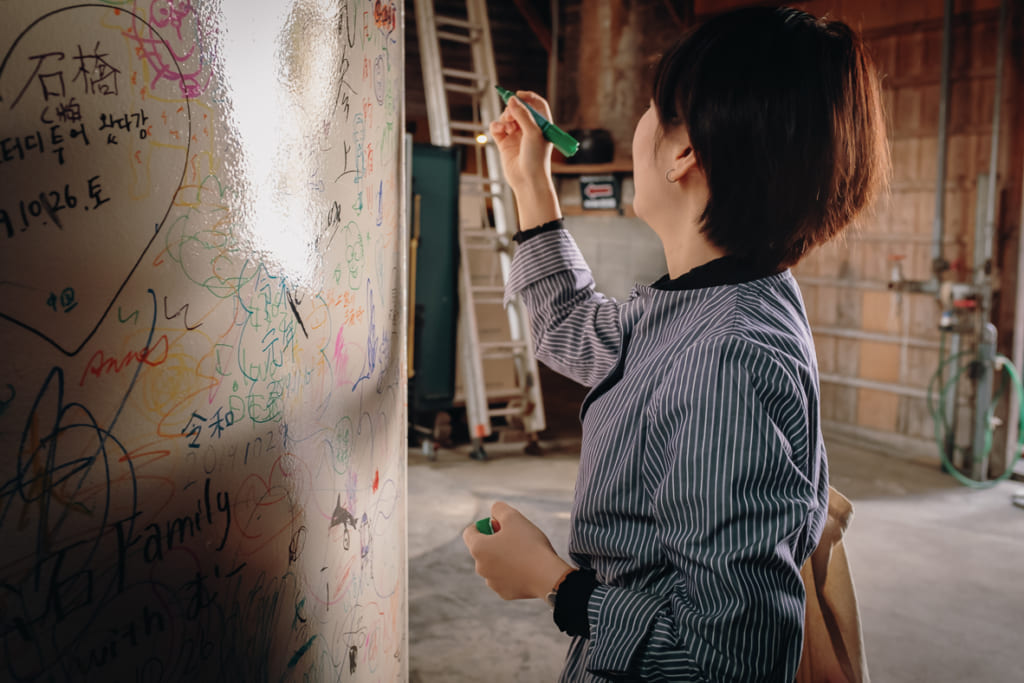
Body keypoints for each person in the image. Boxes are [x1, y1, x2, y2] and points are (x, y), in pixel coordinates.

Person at [462, 5, 888, 682]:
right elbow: (570, 326)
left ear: (685, 151)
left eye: (653, 106)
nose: (641, 123)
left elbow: (733, 662)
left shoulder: (726, 360)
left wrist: (556, 584)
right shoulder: (724, 297)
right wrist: (529, 180)